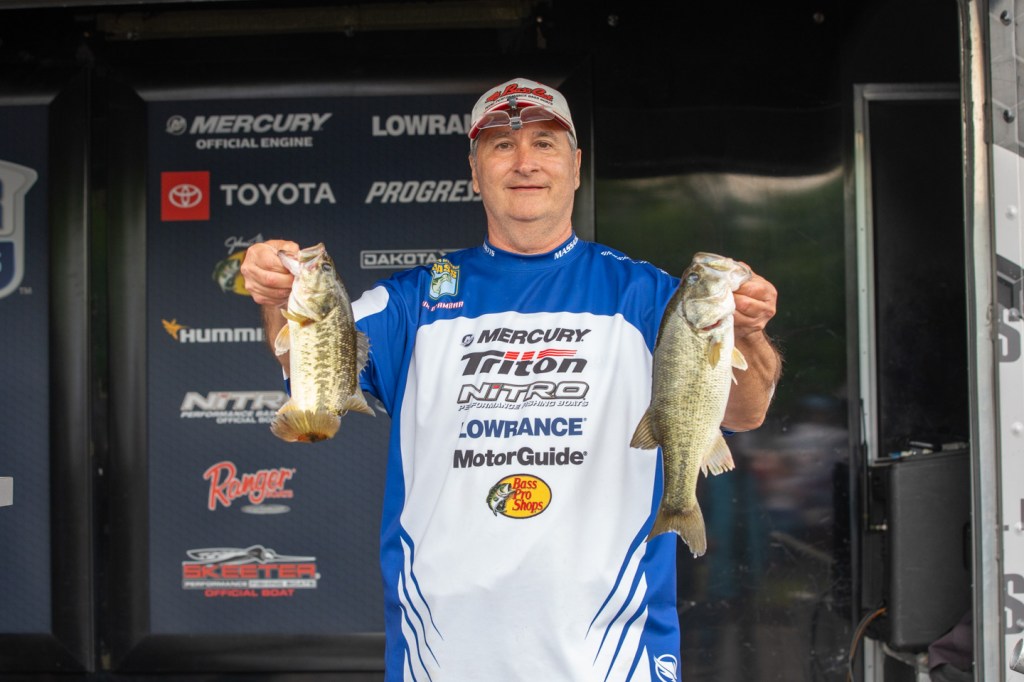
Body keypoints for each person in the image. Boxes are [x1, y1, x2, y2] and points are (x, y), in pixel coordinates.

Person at [241, 77, 781, 681]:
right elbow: (309, 371)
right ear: (474, 172)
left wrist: (748, 334)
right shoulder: (411, 300)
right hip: (444, 655)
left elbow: (745, 413)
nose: (525, 162)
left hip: (611, 656)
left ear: (576, 167)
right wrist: (280, 298)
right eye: (502, 145)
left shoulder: (650, 296)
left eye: (545, 143)